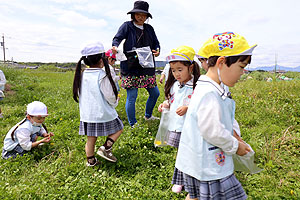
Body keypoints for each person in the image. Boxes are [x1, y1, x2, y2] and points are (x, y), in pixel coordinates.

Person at [175, 32, 256, 200]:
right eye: (241, 67)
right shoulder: (209, 93)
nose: (242, 73)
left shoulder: (208, 87)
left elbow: (221, 120)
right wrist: (235, 146)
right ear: (221, 62)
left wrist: (235, 135)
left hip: (197, 161)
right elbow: (212, 131)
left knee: (195, 195)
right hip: (209, 165)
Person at [157, 46, 200, 193]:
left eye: (180, 69)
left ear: (191, 67)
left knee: (191, 154)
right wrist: (164, 105)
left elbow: (201, 105)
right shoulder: (174, 85)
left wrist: (188, 108)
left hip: (190, 127)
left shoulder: (197, 86)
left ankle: (191, 181)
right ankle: (181, 181)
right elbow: (171, 101)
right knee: (181, 154)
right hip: (176, 126)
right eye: (173, 70)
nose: (176, 74)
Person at [73, 42, 123, 167]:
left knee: (91, 138)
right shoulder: (102, 75)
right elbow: (110, 96)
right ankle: (106, 147)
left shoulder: (82, 74)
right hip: (102, 112)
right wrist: (115, 102)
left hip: (87, 114)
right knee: (119, 127)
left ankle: (91, 161)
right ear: (102, 59)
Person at [112, 0, 160, 127]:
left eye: (144, 15)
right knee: (132, 96)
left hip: (147, 65)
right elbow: (117, 38)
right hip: (131, 64)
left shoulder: (149, 28)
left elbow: (156, 43)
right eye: (138, 14)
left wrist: (158, 50)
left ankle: (148, 116)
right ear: (133, 15)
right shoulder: (127, 26)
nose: (141, 17)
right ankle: (133, 123)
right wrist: (115, 47)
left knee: (155, 93)